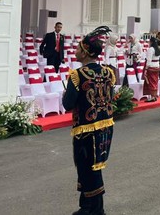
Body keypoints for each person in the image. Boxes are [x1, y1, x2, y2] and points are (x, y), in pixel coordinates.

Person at [61, 26, 115, 215]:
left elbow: (68, 104)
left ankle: (93, 209)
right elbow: (111, 97)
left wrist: (65, 94)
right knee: (95, 166)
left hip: (86, 129)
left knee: (87, 169)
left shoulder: (77, 75)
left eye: (78, 48)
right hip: (106, 127)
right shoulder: (109, 72)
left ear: (85, 52)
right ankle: (89, 205)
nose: (75, 51)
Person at [143, 37, 160, 101]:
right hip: (157, 66)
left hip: (151, 67)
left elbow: (149, 60)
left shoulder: (151, 49)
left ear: (151, 42)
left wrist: (146, 69)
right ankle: (154, 96)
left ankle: (152, 96)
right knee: (155, 81)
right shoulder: (157, 49)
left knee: (150, 82)